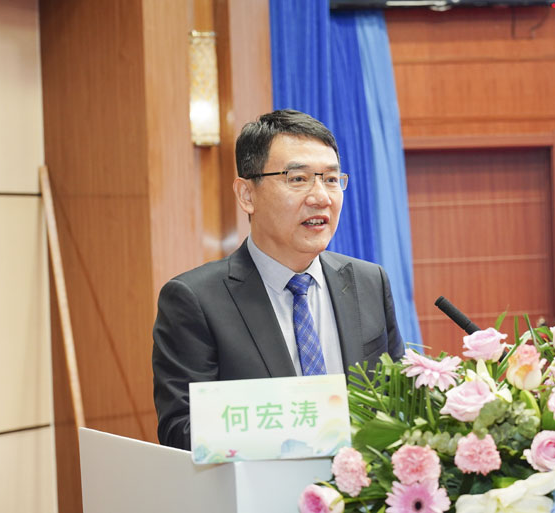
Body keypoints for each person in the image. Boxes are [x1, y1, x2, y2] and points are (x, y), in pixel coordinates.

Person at [152, 109, 405, 450]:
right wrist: (305, 434)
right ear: (247, 195)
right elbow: (183, 431)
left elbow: (400, 402)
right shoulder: (195, 300)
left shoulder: (369, 282)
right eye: (298, 179)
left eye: (331, 179)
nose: (321, 197)